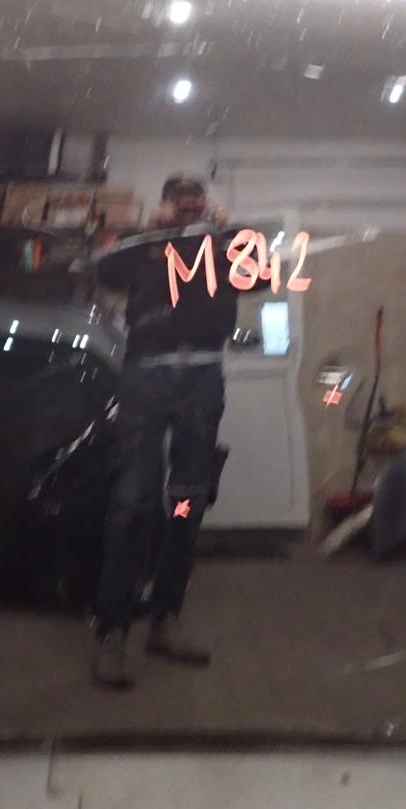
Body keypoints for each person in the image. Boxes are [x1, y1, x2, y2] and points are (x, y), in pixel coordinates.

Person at [89, 173, 242, 689]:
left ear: (205, 204)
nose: (187, 208)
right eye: (178, 201)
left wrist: (229, 232)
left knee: (186, 500)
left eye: (195, 200)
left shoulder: (220, 246)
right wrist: (142, 232)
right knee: (132, 500)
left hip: (202, 377)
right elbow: (105, 272)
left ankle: (164, 620)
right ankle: (113, 633)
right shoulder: (145, 246)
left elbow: (260, 276)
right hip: (147, 377)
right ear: (164, 205)